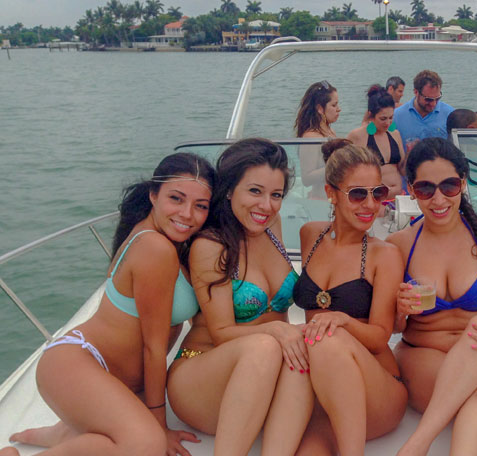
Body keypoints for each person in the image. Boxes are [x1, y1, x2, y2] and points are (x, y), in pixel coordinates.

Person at [3, 153, 215, 456]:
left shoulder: (166, 239)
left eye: (201, 206)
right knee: (146, 445)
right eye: (176, 199)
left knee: (136, 438)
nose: (187, 214)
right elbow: (154, 348)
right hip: (78, 362)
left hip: (116, 377)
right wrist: (160, 426)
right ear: (153, 195)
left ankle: (64, 435)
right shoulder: (154, 247)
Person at [167, 138, 313, 456]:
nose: (266, 206)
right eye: (255, 191)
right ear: (231, 189)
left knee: (302, 348)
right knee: (268, 344)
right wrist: (276, 330)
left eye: (276, 195)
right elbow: (221, 333)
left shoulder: (271, 226)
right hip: (203, 376)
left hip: (263, 375)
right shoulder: (212, 246)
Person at [387, 137, 477, 456]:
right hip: (425, 357)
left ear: (462, 183)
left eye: (448, 186)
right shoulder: (399, 244)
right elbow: (392, 328)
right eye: (425, 189)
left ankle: (416, 445)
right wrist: (401, 311)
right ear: (411, 189)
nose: (438, 198)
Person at [293, 139, 408, 456]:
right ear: (331, 193)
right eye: (358, 194)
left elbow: (380, 337)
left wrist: (342, 320)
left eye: (378, 193)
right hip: (324, 388)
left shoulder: (384, 255)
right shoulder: (309, 235)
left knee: (326, 337)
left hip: (378, 387)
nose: (370, 205)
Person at [347, 84, 406, 200]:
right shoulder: (357, 136)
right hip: (373, 200)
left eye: (391, 117)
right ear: (370, 115)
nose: (388, 123)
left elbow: (403, 167)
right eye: (383, 119)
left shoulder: (395, 134)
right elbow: (347, 171)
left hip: (398, 197)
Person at [296, 80, 342, 198]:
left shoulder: (331, 132)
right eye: (334, 105)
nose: (339, 109)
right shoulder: (310, 137)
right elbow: (307, 178)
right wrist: (338, 165)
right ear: (320, 109)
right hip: (320, 201)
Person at [393, 70, 455, 152]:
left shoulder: (450, 115)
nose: (433, 104)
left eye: (437, 99)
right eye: (428, 99)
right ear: (416, 92)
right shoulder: (396, 117)